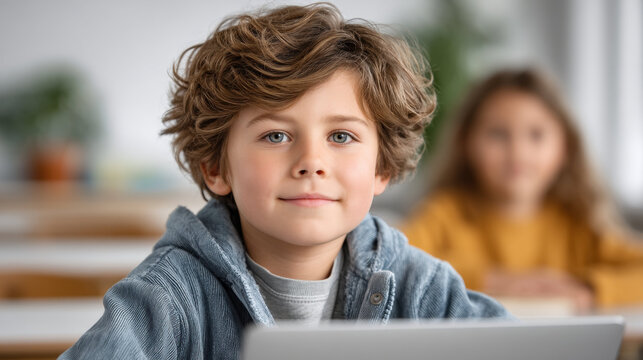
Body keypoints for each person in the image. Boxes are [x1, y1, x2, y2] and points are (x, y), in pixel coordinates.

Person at [59, 4, 509, 359]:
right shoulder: (167, 299)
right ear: (217, 168)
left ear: (381, 168)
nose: (311, 162)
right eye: (276, 135)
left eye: (341, 136)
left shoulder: (424, 289)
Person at [402, 69, 643, 311]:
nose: (517, 152)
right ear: (466, 143)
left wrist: (590, 289)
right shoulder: (444, 215)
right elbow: (394, 261)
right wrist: (493, 281)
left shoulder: (578, 224)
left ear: (565, 148)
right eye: (498, 134)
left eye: (536, 135)